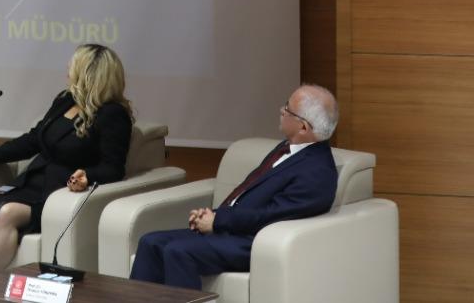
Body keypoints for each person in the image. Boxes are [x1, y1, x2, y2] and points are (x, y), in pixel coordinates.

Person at [129, 84, 340, 289]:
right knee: (150, 242)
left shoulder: (317, 172)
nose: (281, 110)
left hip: (254, 241)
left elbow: (270, 215)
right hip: (234, 230)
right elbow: (250, 193)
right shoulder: (288, 148)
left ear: (303, 127)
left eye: (288, 109)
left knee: (178, 250)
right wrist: (214, 215)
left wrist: (219, 221)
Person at [0, 43, 133, 273]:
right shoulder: (65, 100)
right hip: (32, 181)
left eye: (73, 65)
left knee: (6, 213)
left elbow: (114, 168)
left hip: (59, 193)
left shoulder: (113, 115)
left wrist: (87, 176)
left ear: (89, 73)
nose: (68, 68)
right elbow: (32, 141)